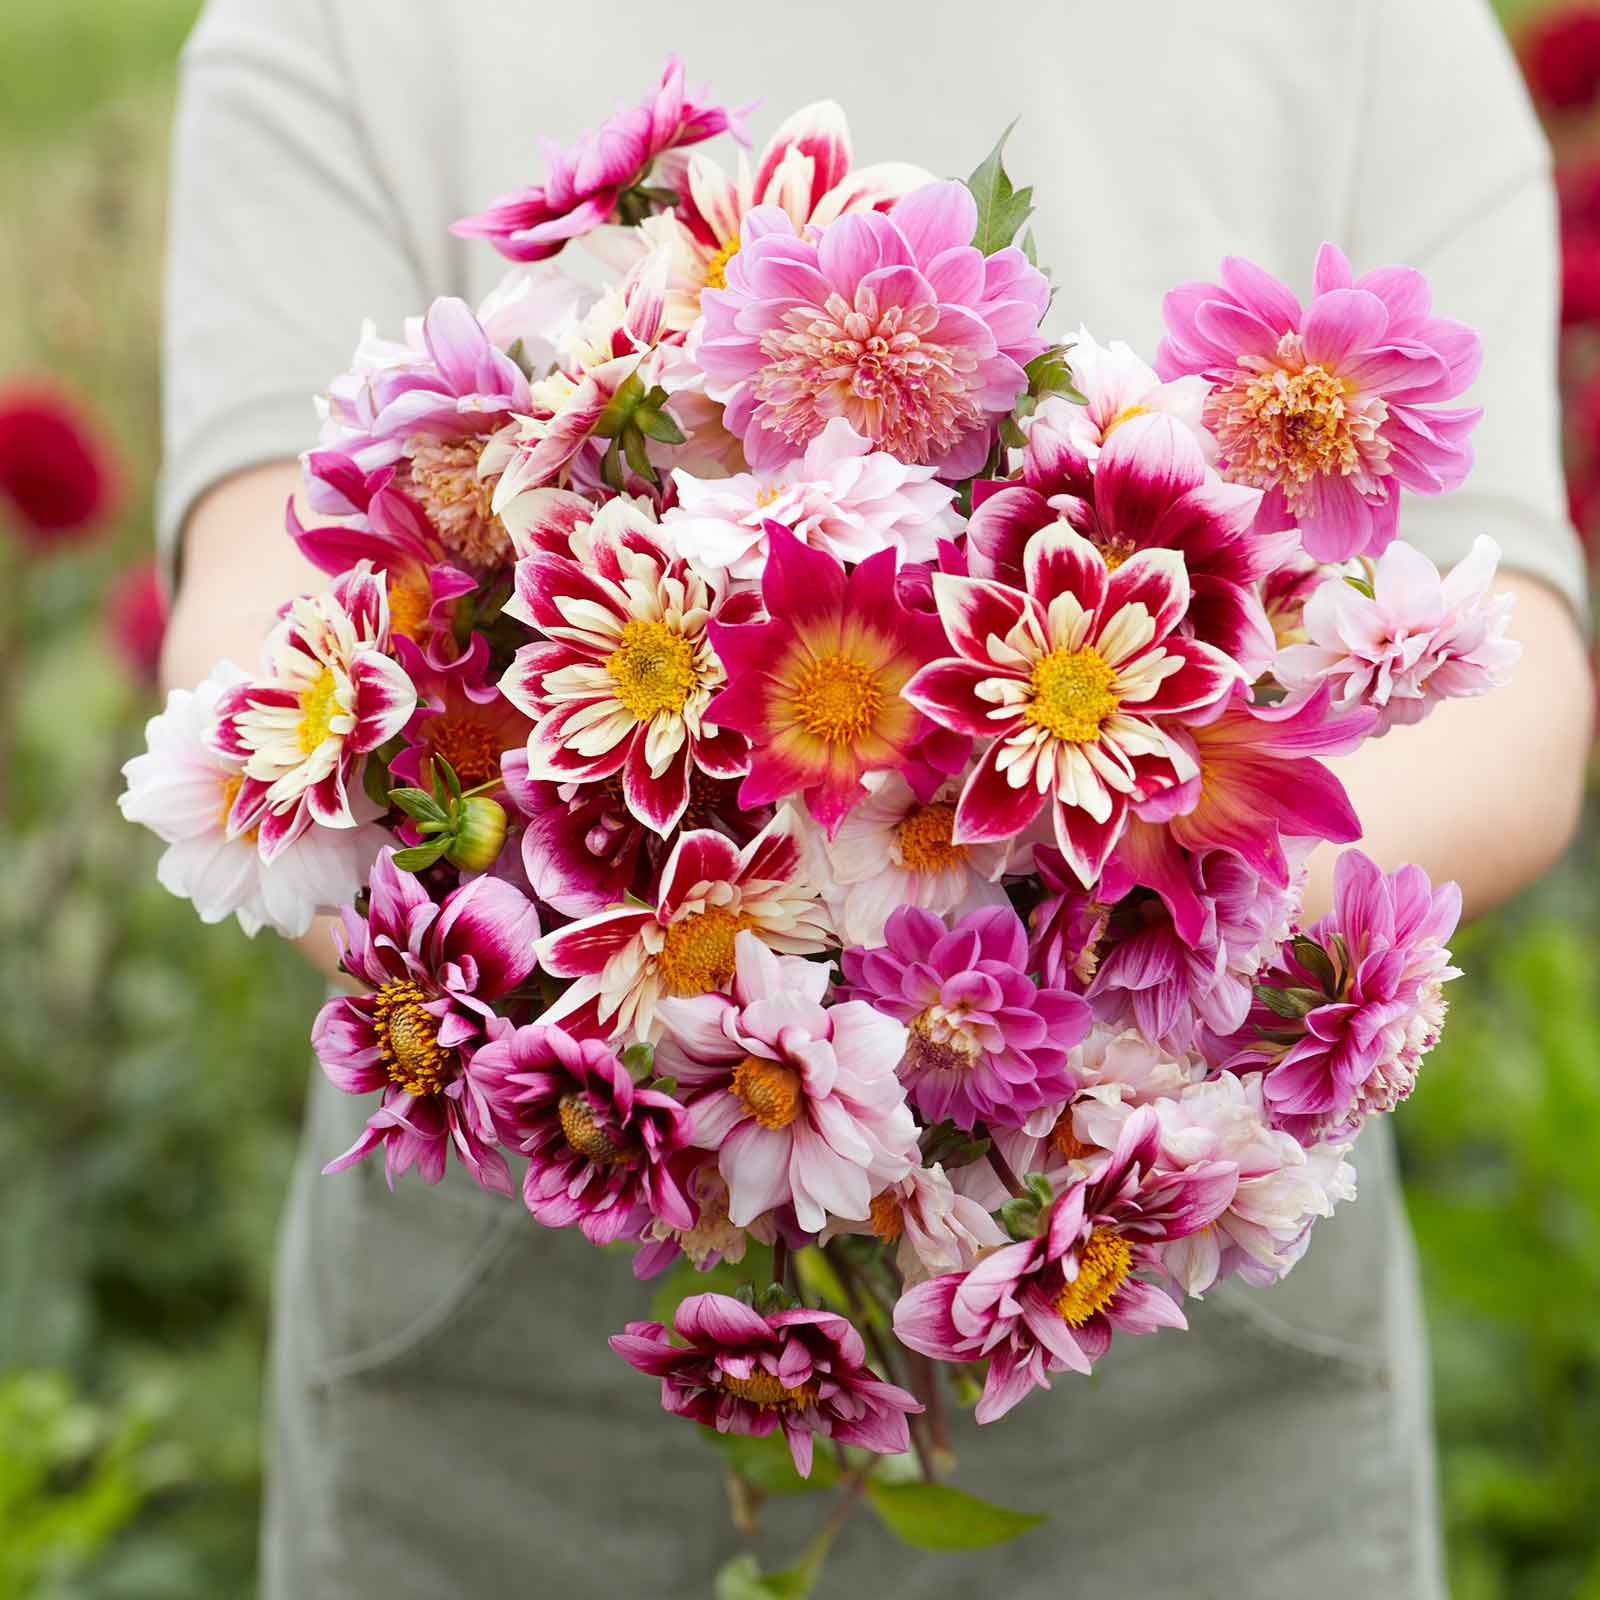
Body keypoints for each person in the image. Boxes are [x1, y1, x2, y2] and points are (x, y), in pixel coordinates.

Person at [158, 2, 1592, 1594]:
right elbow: (249, 637)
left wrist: (1132, 963)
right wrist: (678, 1044)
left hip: (1162, 1287)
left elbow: (1513, 676)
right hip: (532, 1322)